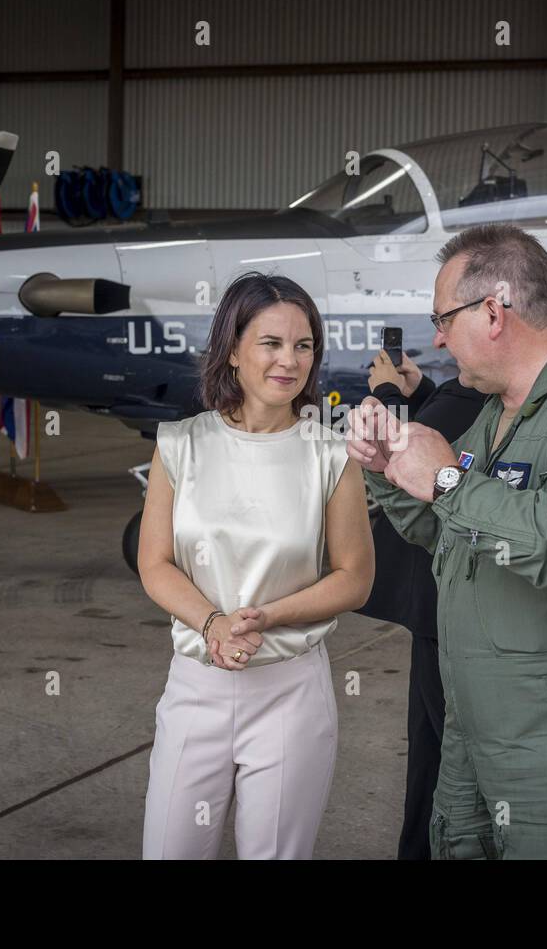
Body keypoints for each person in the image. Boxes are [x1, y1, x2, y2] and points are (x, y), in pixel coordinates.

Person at [347, 224, 547, 859]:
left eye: (444, 319)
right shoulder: (500, 415)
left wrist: (447, 480)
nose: (438, 339)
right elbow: (451, 532)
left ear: (493, 312)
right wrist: (389, 470)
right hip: (478, 723)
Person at [138, 271, 374, 859]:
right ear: (233, 350)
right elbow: (155, 563)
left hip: (290, 692)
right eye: (271, 343)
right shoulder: (180, 444)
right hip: (196, 686)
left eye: (303, 345)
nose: (289, 360)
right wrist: (213, 624)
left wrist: (266, 617)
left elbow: (355, 578)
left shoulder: (331, 453)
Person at [357, 348, 485, 859]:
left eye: (445, 321)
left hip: (441, 609)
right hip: (440, 605)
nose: (440, 339)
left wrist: (387, 392)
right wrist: (421, 391)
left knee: (439, 750)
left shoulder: (484, 393)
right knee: (433, 745)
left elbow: (415, 444)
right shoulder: (472, 392)